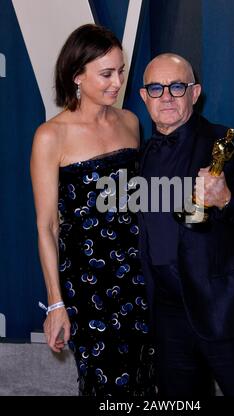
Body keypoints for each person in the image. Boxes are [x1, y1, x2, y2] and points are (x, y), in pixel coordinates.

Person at [138, 53, 234, 398]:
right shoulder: (140, 155)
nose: (167, 97)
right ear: (144, 96)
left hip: (227, 313)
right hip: (168, 315)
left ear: (195, 92)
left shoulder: (231, 145)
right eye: (156, 88)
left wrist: (227, 201)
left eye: (177, 86)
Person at [30, 23, 156, 398]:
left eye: (120, 71)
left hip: (140, 273)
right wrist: (56, 303)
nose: (118, 82)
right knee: (107, 384)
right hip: (88, 284)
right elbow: (48, 226)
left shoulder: (131, 123)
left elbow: (139, 201)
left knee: (146, 377)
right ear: (77, 77)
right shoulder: (50, 136)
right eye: (106, 73)